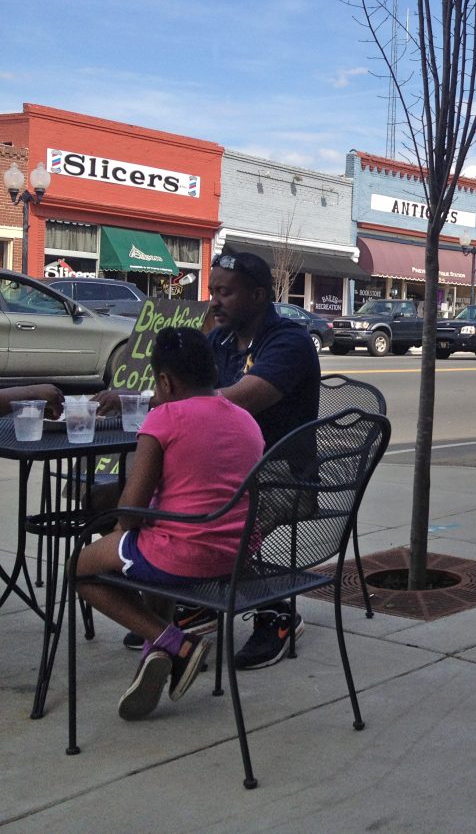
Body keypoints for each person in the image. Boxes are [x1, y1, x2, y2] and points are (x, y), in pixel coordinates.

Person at [101, 250, 320, 669]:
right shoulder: (218, 340)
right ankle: (185, 603)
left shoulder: (287, 341)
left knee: (195, 508)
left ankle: (276, 614)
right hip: (226, 470)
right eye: (212, 291)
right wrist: (140, 398)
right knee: (119, 496)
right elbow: (190, 395)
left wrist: (151, 400)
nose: (214, 301)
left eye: (225, 292)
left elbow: (240, 399)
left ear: (258, 295)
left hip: (281, 475)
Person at [75, 327, 264, 720]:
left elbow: (130, 513)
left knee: (81, 569)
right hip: (238, 555)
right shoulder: (246, 420)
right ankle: (156, 651)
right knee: (150, 546)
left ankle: (175, 642)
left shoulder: (164, 418)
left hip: (184, 555)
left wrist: (111, 528)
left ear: (165, 381)